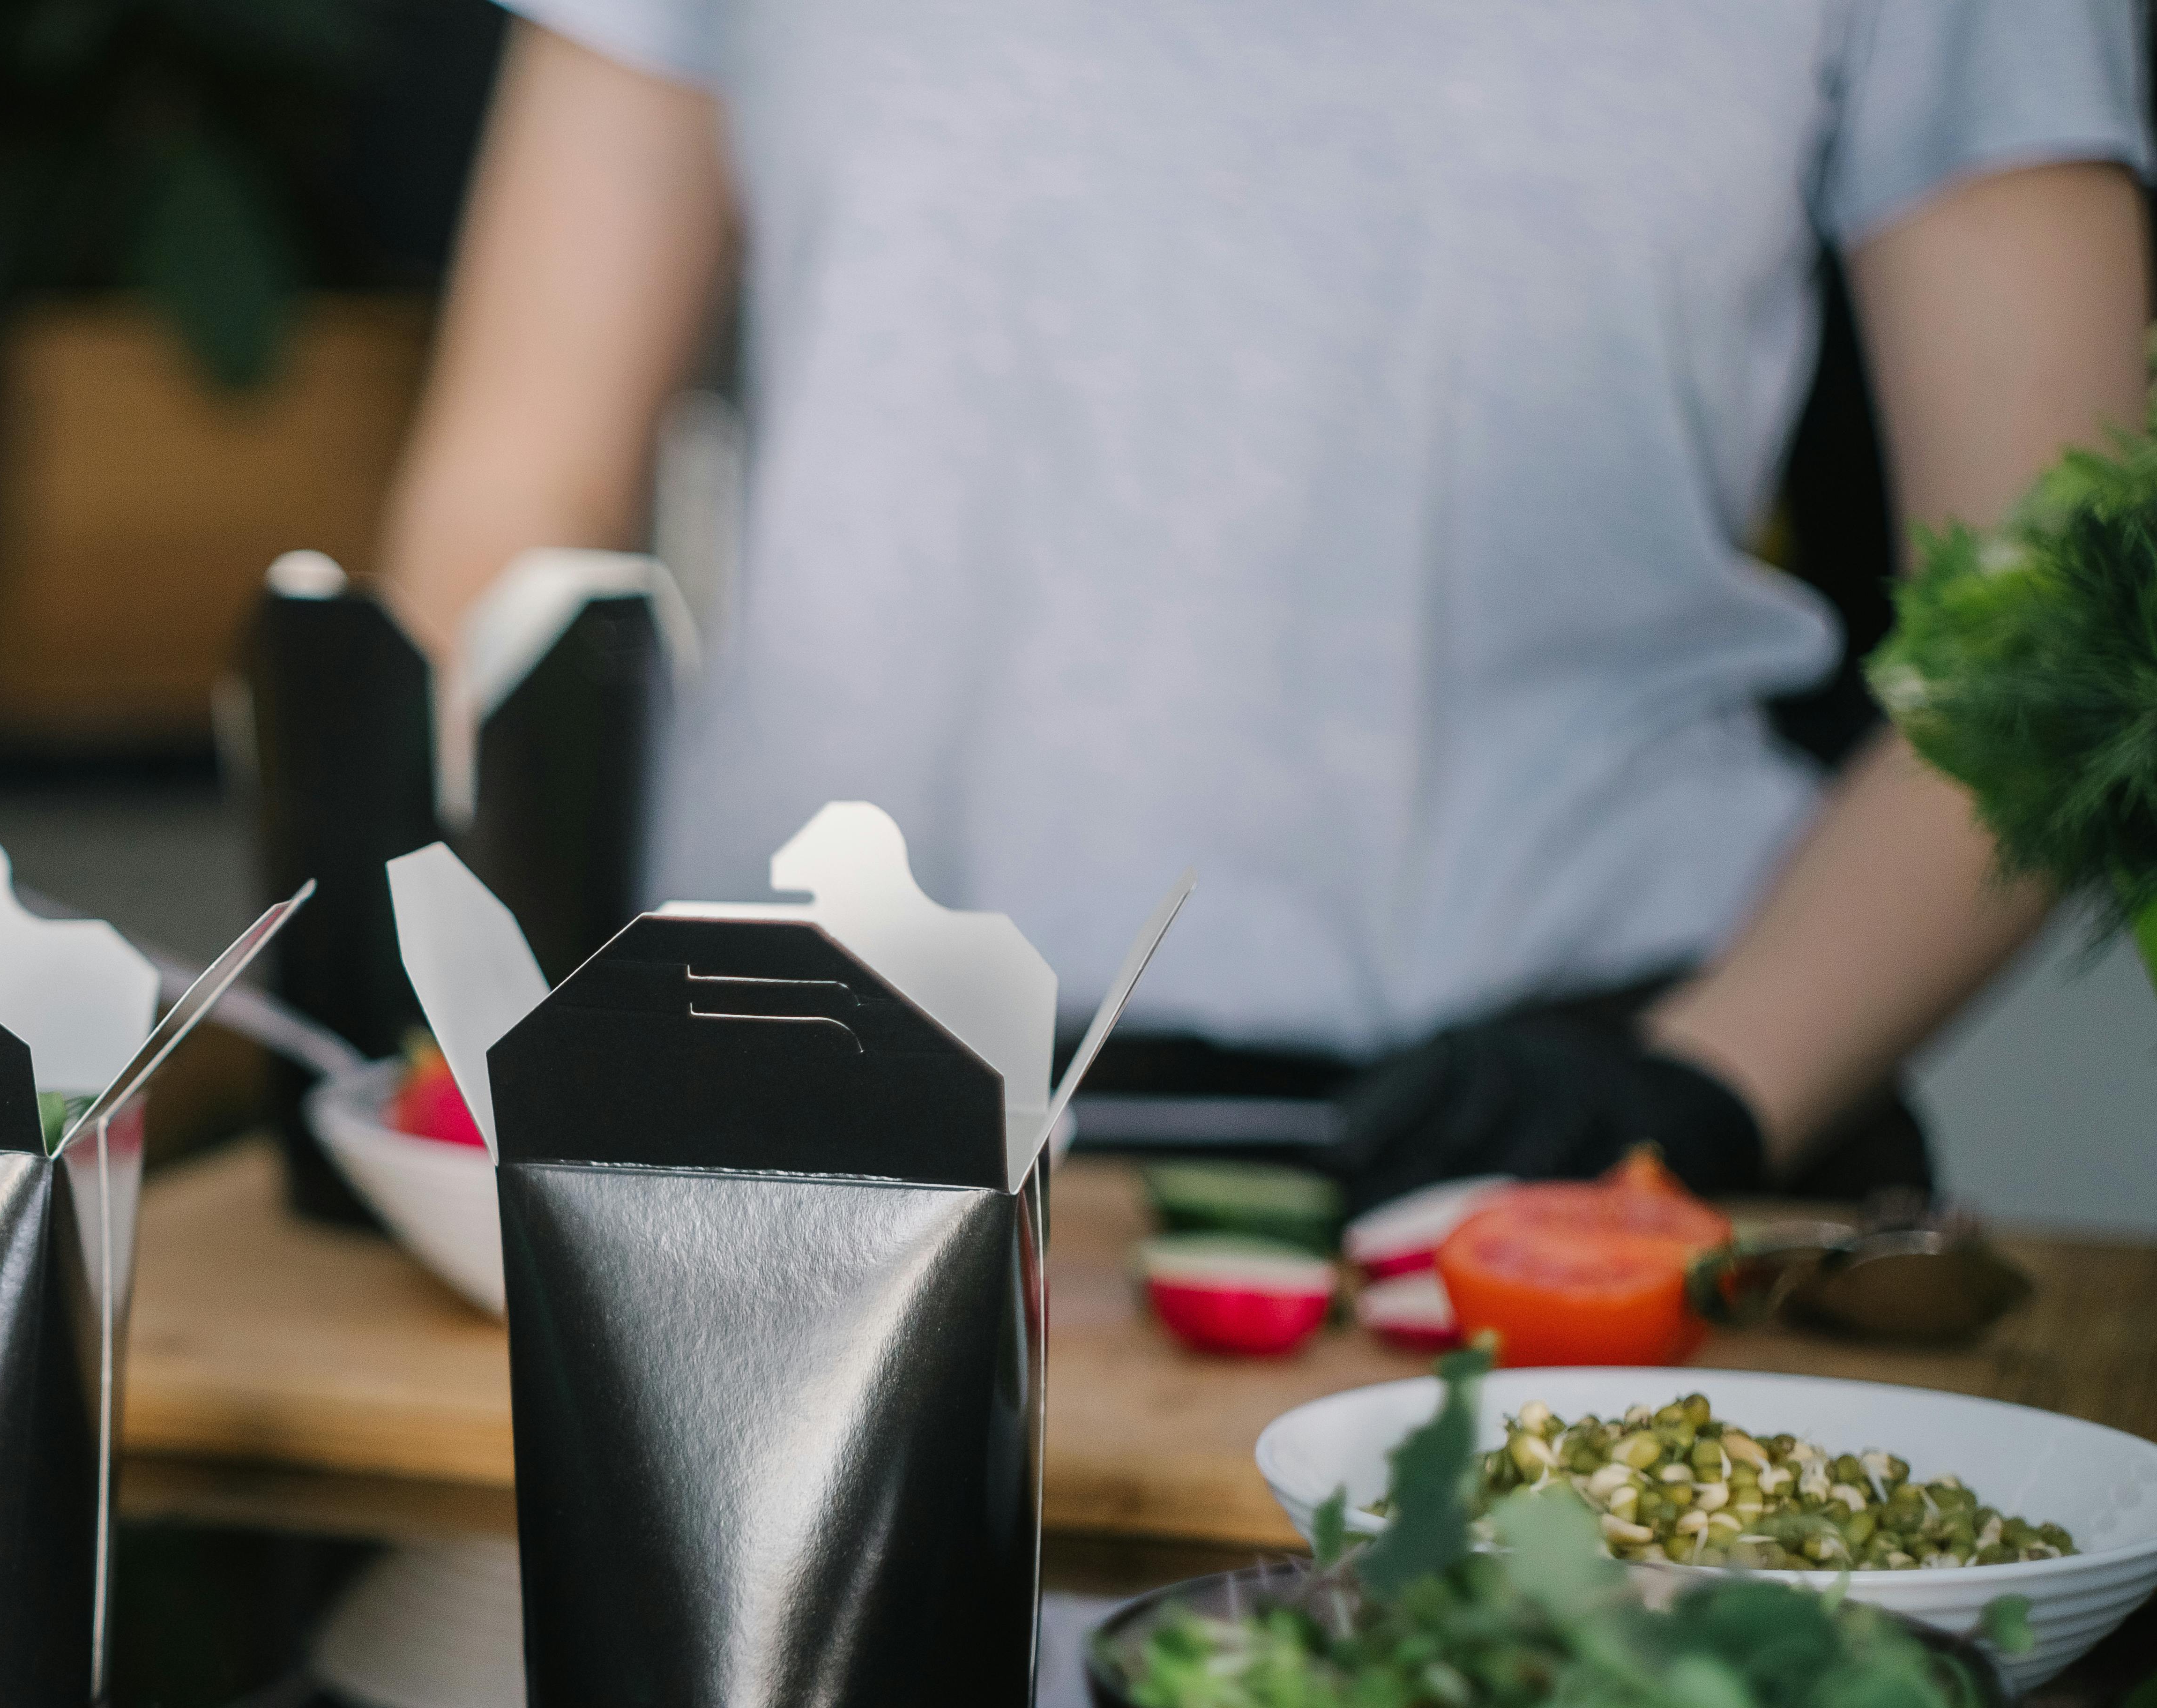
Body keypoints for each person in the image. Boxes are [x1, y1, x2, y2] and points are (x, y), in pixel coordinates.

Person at [375, 6, 2153, 1205]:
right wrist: (451, 996)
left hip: (1572, 1152)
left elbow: (2066, 630)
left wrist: (1702, 1090)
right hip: (789, 1153)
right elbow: (517, 490)